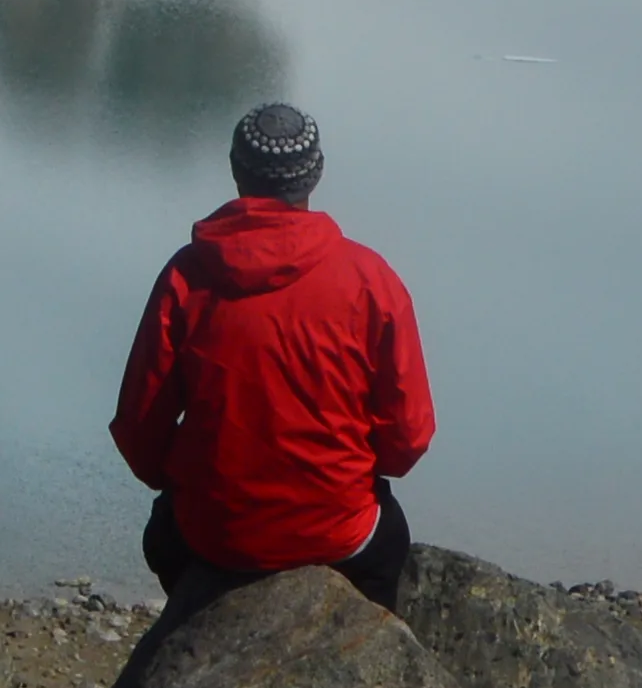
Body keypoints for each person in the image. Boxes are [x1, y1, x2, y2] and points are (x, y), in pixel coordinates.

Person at [110, 101, 430, 614]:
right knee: (391, 547)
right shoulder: (371, 281)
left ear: (237, 171)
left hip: (214, 534)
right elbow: (408, 438)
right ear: (315, 175)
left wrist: (194, 480)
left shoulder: (185, 278)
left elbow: (138, 430)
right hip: (339, 533)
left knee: (163, 538)